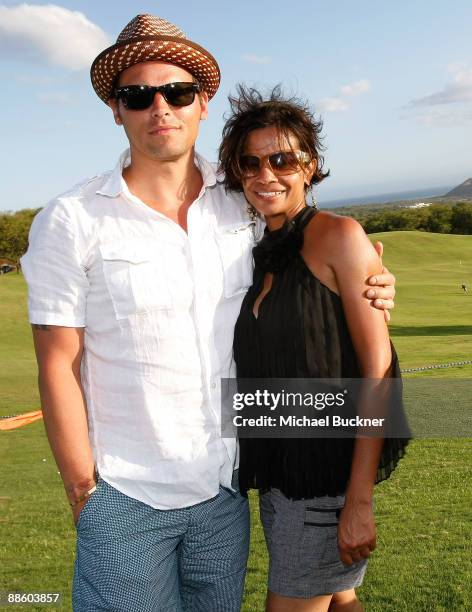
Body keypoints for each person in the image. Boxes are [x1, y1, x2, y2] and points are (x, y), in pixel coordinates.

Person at [21, 14, 396, 612]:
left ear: (202, 102)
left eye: (178, 92)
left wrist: (372, 276)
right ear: (116, 110)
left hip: (224, 491)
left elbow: (314, 251)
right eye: (138, 96)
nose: (160, 108)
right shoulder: (72, 219)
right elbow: (57, 362)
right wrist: (83, 490)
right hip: (124, 495)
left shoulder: (241, 198)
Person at [218, 86, 409, 612]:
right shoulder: (259, 252)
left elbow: (378, 369)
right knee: (340, 598)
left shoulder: (338, 235)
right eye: (250, 162)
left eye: (281, 159)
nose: (265, 174)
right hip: (282, 470)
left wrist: (359, 498)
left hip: (326, 477)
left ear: (310, 164)